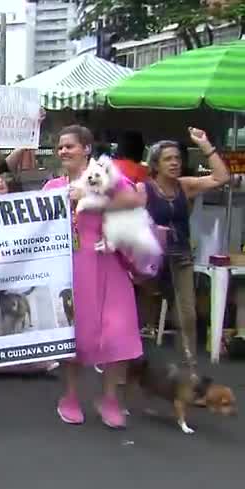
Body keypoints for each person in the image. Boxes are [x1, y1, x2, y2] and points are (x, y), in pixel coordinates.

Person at [45, 125, 145, 429]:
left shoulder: (106, 177)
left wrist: (90, 193)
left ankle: (110, 398)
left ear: (87, 148)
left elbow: (135, 201)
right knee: (75, 334)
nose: (63, 151)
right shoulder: (51, 186)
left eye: (70, 146)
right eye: (60, 147)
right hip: (71, 268)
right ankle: (71, 396)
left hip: (109, 261)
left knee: (120, 333)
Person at [145, 130, 231, 366]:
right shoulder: (144, 190)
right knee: (136, 314)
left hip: (180, 257)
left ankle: (189, 371)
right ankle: (130, 369)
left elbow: (221, 178)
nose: (174, 163)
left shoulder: (185, 186)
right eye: (167, 159)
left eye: (177, 159)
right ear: (156, 164)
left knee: (187, 315)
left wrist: (205, 145)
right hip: (150, 261)